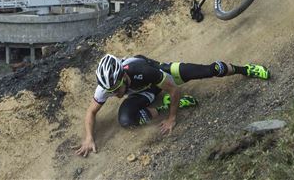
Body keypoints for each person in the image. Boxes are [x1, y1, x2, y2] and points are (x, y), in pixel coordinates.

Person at [75, 54, 270, 157]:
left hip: (161, 76)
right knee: (126, 119)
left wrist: (171, 118)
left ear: (124, 76)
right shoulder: (105, 87)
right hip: (145, 92)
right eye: (112, 92)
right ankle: (166, 105)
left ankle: (246, 69)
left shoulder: (141, 70)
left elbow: (174, 89)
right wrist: (89, 138)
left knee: (211, 70)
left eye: (118, 89)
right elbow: (91, 112)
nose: (117, 95)